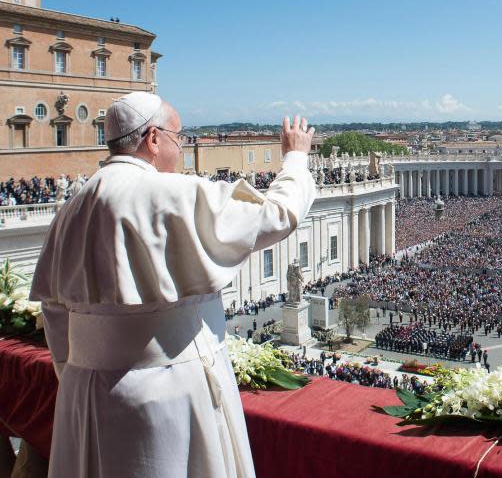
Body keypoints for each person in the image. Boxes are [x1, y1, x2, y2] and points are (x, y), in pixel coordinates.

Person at [31, 92, 317, 478]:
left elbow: (53, 309)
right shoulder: (174, 194)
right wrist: (295, 157)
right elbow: (277, 215)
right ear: (152, 139)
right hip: (168, 394)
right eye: (178, 137)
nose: (180, 148)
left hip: (84, 394)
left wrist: (80, 371)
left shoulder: (73, 206)